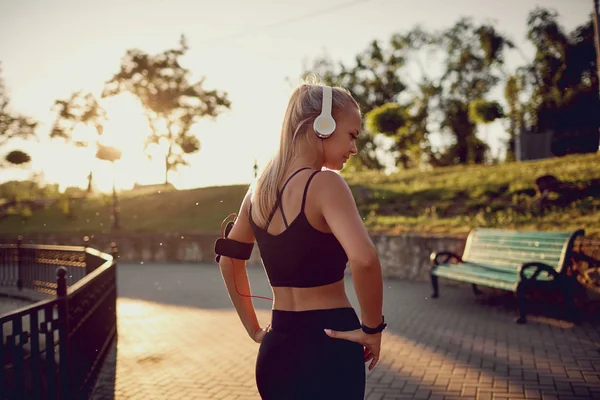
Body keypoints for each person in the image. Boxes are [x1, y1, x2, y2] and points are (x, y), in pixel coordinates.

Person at [216, 78, 385, 399]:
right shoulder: (326, 185)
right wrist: (372, 330)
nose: (354, 148)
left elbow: (228, 261)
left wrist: (254, 329)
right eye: (351, 135)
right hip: (330, 347)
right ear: (322, 125)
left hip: (277, 348)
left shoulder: (257, 193)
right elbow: (365, 259)